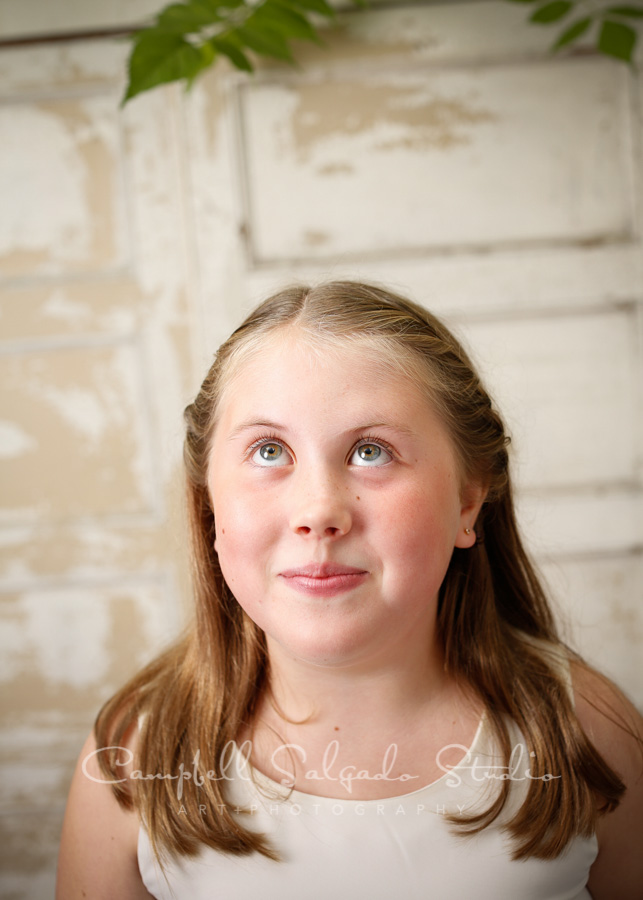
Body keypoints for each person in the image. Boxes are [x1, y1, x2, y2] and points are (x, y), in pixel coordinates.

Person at [56, 281, 642, 899]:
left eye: (371, 451)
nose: (319, 510)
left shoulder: (586, 732)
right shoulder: (134, 757)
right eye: (268, 450)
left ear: (467, 501)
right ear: (208, 503)